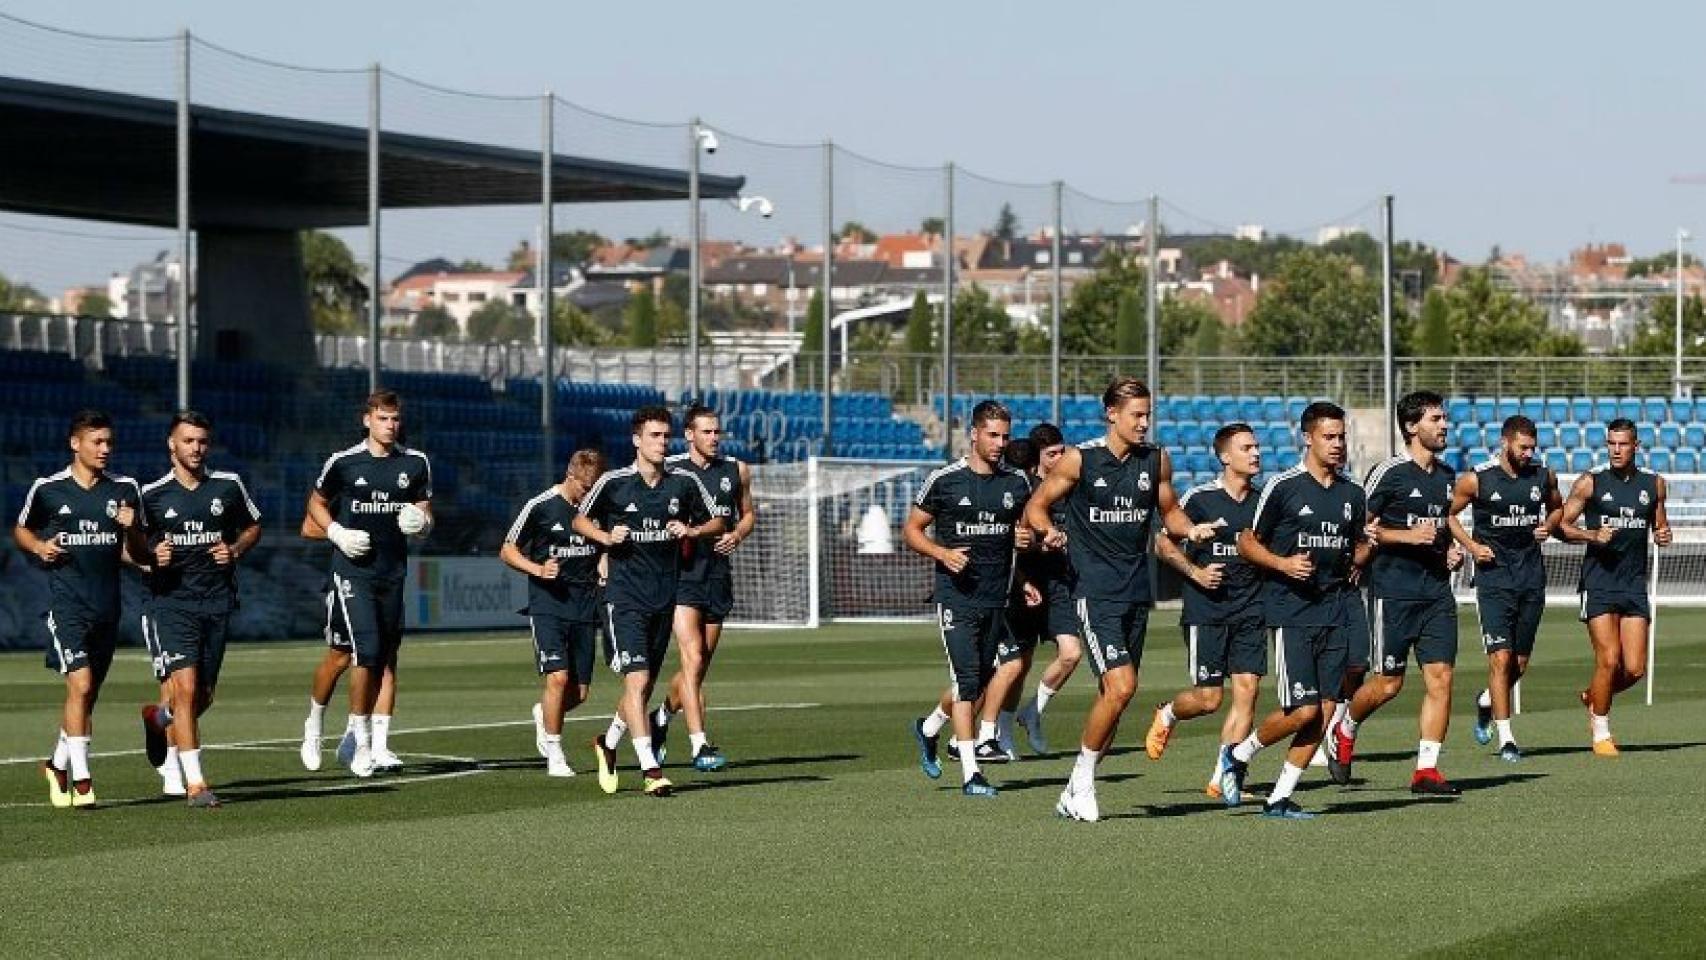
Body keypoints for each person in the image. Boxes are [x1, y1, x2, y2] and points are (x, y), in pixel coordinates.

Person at [1025, 378, 1213, 822]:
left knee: (1115, 696)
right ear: (1112, 414)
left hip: (1135, 592)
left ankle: (1074, 787)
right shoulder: (1079, 459)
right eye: (1137, 415)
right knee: (1124, 686)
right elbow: (1037, 505)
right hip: (1093, 591)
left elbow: (1169, 512)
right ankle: (1084, 782)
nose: (1145, 423)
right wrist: (1047, 530)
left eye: (1148, 415)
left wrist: (1191, 530)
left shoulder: (1156, 459)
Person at [1218, 401, 1371, 819]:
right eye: (1329, 437)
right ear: (1308, 438)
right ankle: (1240, 753)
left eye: (1341, 437)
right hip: (1292, 612)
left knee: (1322, 713)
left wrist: (1364, 551)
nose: (1338, 445)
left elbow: (1357, 545)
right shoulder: (1283, 487)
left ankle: (1279, 797)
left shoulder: (1352, 494)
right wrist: (1284, 564)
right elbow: (1246, 543)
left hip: (1335, 609)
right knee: (1302, 710)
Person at [575, 406, 724, 798]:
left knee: (642, 687)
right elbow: (580, 521)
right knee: (637, 681)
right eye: (655, 436)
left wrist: (690, 528)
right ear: (636, 440)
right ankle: (651, 769)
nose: (662, 443)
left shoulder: (684, 484)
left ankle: (608, 743)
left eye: (666, 437)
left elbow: (718, 522)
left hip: (664, 598)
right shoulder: (614, 483)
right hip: (623, 598)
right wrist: (606, 539)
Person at [1327, 391, 1465, 795]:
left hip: (1436, 593)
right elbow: (1362, 528)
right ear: (1411, 427)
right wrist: (1406, 535)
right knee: (1389, 684)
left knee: (1441, 679)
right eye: (1435, 419)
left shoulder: (1445, 476)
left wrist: (1450, 551)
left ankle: (1426, 770)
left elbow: (1438, 529)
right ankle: (1345, 726)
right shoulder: (1388, 473)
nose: (1443, 426)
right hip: (1393, 592)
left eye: (1444, 419)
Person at [298, 391, 433, 778]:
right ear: (367, 420)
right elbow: (315, 504)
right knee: (366, 653)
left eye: (394, 419)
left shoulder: (415, 462)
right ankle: (332, 729)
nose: (390, 425)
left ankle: (352, 737)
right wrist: (337, 532)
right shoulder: (343, 463)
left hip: (392, 573)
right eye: (383, 418)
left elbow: (426, 516)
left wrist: (422, 525)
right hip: (350, 571)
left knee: (365, 656)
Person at [134, 412, 262, 807]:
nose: (196, 448)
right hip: (172, 603)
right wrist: (152, 556)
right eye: (188, 441)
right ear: (172, 445)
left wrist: (235, 550)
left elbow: (253, 526)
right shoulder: (151, 495)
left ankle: (159, 720)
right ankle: (196, 784)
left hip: (217, 602)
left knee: (202, 696)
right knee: (185, 690)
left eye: (202, 441)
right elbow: (130, 547)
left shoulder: (228, 486)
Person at [15, 410, 141, 809]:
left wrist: (134, 528)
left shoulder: (124, 489)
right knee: (81, 685)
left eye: (109, 442)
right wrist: (39, 547)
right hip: (68, 605)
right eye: (97, 441)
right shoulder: (48, 489)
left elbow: (132, 550)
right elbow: (22, 529)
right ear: (76, 443)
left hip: (109, 607)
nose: (105, 449)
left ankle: (57, 765)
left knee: (87, 696)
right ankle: (83, 783)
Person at [906, 400, 1033, 797]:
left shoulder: (1017, 482)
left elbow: (1023, 531)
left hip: (998, 596)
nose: (999, 444)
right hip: (956, 597)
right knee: (966, 683)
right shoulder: (945, 480)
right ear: (974, 434)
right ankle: (971, 773)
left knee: (980, 680)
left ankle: (928, 728)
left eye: (1005, 437)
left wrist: (1025, 562)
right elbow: (911, 530)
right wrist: (942, 553)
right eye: (992, 435)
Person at [1144, 423, 1266, 799]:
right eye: (1246, 448)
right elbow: (1163, 545)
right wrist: (1195, 572)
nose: (1256, 453)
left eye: (1257, 446)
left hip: (1251, 609)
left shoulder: (1265, 502)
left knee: (1247, 691)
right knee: (1209, 699)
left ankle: (1223, 777)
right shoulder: (1200, 500)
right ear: (1225, 456)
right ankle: (1168, 714)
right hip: (1207, 611)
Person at [1447, 416, 1561, 761]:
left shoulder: (1543, 476)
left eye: (1532, 448)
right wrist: (1471, 546)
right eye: (1522, 447)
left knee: (1519, 664)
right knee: (1501, 658)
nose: (1528, 453)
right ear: (1505, 442)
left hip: (1531, 578)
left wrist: (1548, 525)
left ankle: (1486, 702)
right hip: (1493, 579)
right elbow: (1446, 514)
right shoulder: (1476, 479)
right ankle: (1506, 739)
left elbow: (1558, 508)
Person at [652, 405, 756, 772]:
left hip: (716, 574)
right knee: (692, 658)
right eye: (707, 432)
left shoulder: (736, 469)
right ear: (689, 435)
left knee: (698, 666)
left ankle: (661, 718)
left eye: (717, 432)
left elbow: (747, 514)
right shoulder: (672, 469)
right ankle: (700, 744)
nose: (714, 438)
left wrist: (738, 534)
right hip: (681, 574)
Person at [1558, 418, 1670, 755]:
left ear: (1636, 446)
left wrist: (1664, 535)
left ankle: (1594, 695)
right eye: (1611, 444)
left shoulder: (1655, 485)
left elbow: (1661, 528)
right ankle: (1601, 732)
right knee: (1609, 660)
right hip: (1599, 583)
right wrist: (1591, 535)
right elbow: (1560, 525)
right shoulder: (1589, 483)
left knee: (1634, 669)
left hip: (1634, 584)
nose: (1616, 450)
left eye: (1623, 444)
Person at [502, 449, 607, 778]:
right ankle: (555, 751)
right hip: (549, 603)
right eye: (585, 487)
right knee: (558, 678)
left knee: (580, 692)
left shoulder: (597, 509)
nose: (589, 494)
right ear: (570, 476)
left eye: (594, 488)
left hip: (586, 604)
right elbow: (507, 549)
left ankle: (543, 713)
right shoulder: (541, 506)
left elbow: (603, 547)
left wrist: (604, 567)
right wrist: (536, 568)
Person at [1012, 424, 1082, 756]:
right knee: (1018, 664)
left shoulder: (1073, 486)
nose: (1059, 458)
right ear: (1038, 458)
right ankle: (998, 733)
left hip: (1059, 583)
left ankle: (1033, 713)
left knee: (1071, 653)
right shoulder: (1027, 488)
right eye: (1051, 454)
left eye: (1061, 452)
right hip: (1028, 582)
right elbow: (1018, 535)